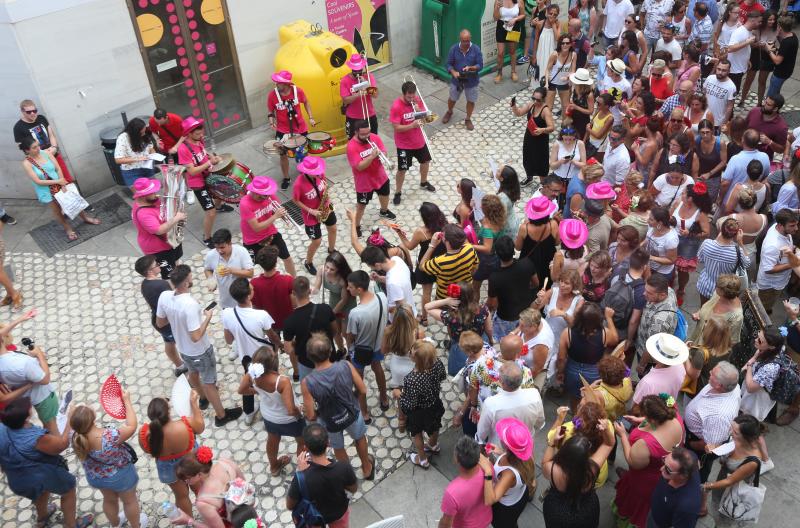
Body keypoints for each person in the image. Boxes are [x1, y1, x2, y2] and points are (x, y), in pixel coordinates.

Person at [156, 264, 243, 426]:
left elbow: (160, 323)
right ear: (185, 283)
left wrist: (176, 319)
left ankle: (203, 399)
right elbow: (196, 336)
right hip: (200, 350)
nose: (192, 278)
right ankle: (221, 415)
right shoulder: (190, 305)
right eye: (190, 277)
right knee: (209, 382)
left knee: (193, 373)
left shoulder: (164, 297)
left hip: (183, 348)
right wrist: (208, 318)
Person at [0, 397, 94, 528]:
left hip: (17, 479)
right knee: (68, 490)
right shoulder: (35, 438)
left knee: (40, 492)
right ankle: (72, 525)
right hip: (40, 474)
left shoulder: (2, 427)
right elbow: (61, 445)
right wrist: (69, 420)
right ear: (27, 417)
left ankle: (43, 517)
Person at [301, 333, 375, 480]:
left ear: (309, 357)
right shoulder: (345, 365)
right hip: (352, 412)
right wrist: (351, 396)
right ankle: (367, 468)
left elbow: (310, 416)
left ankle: (347, 476)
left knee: (338, 447)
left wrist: (311, 411)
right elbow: (363, 390)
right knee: (360, 438)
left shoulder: (307, 382)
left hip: (329, 421)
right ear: (330, 351)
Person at [70, 396, 145, 528]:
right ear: (92, 417)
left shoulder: (74, 436)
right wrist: (127, 401)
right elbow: (131, 425)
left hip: (97, 477)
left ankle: (115, 524)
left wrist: (72, 412)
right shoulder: (110, 436)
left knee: (109, 500)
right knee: (129, 501)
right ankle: (136, 525)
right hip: (120, 477)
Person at [613, 394, 686, 528]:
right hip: (661, 476)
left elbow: (632, 461)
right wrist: (639, 420)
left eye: (645, 416)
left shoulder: (646, 444)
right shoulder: (675, 416)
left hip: (643, 482)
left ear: (652, 419)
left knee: (634, 502)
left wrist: (623, 435)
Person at [684, 362, 742, 514]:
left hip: (698, 446)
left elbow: (709, 446)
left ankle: (701, 506)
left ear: (720, 386)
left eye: (713, 375)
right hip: (696, 436)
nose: (709, 372)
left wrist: (688, 443)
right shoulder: (731, 386)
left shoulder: (719, 416)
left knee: (699, 476)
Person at [237, 345, 304, 476]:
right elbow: (290, 410)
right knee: (302, 442)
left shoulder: (252, 374)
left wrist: (257, 391)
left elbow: (241, 390)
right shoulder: (282, 381)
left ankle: (274, 467)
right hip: (289, 419)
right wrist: (300, 412)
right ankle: (302, 469)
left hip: (269, 417)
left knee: (272, 440)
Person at [222, 278, 280, 424]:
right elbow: (272, 336)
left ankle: (249, 412)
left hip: (246, 357)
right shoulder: (261, 315)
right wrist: (279, 345)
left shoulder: (227, 314)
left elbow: (228, 340)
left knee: (249, 380)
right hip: (264, 356)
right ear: (248, 296)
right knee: (270, 379)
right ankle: (275, 404)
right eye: (252, 288)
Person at [20, 137, 100, 241]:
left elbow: (58, 168)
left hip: (59, 183)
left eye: (38, 145)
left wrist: (62, 184)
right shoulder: (27, 163)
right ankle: (68, 228)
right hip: (46, 190)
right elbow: (38, 181)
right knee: (57, 211)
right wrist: (58, 182)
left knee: (73, 201)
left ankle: (85, 218)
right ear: (27, 150)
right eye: (34, 147)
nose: (38, 148)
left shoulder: (46, 153)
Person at [138, 393, 204, 516]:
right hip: (190, 463)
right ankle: (209, 514)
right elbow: (200, 427)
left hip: (167, 469)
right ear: (168, 412)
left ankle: (188, 522)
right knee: (199, 488)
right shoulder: (185, 425)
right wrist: (194, 404)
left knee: (181, 496)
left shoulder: (145, 434)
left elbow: (148, 450)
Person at [286, 424, 358, 528]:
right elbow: (353, 489)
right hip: (339, 513)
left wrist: (301, 473)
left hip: (315, 518)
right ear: (328, 443)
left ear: (305, 447)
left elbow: (290, 505)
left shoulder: (301, 478)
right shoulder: (343, 467)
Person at [0, 311, 59, 434]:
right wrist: (39, 355)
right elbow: (45, 379)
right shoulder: (23, 363)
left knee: (46, 421)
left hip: (27, 396)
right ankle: (53, 444)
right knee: (51, 425)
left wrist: (20, 319)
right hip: (43, 397)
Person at [178, 116, 231, 248]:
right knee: (210, 212)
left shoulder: (198, 139)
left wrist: (211, 157)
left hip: (208, 174)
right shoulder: (183, 149)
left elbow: (202, 151)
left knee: (222, 191)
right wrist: (209, 163)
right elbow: (192, 172)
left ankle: (219, 206)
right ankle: (207, 237)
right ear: (188, 133)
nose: (201, 135)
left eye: (202, 132)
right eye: (197, 133)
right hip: (198, 184)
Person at [541, 430, 613, 527]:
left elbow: (544, 463)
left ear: (564, 452)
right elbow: (609, 444)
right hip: (586, 510)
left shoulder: (553, 470)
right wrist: (605, 429)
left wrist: (552, 443)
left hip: (557, 512)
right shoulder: (592, 469)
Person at [390, 202, 447, 323]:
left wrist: (399, 233)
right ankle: (440, 307)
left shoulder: (421, 232)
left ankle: (425, 318)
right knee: (441, 287)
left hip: (426, 264)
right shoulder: (446, 226)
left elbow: (409, 246)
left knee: (427, 292)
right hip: (442, 262)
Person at [702, 414, 771, 512]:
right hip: (722, 481)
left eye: (735, 432)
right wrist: (714, 447)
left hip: (732, 492)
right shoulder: (736, 439)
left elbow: (730, 481)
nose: (731, 432)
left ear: (746, 437)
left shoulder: (752, 462)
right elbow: (724, 446)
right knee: (716, 504)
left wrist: (707, 486)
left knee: (723, 513)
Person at [556, 302, 619, 410]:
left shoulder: (567, 333)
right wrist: (609, 318)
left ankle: (576, 417)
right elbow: (615, 339)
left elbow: (561, 358)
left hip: (573, 371)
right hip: (595, 372)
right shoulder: (605, 333)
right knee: (591, 399)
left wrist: (560, 372)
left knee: (575, 398)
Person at [345, 270, 389, 421]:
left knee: (359, 380)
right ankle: (384, 398)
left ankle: (364, 413)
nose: (347, 289)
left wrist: (349, 347)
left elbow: (350, 336)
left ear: (359, 289)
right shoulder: (382, 297)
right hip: (378, 345)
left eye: (350, 287)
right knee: (378, 369)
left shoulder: (356, 313)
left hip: (361, 351)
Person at [478, 417, 537, 528]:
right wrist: (501, 452)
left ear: (506, 446)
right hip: (519, 495)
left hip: (505, 510)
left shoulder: (509, 475)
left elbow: (490, 500)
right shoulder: (525, 457)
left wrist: (487, 471)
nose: (500, 437)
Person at [134, 255, 186, 377]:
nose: (159, 265)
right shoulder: (161, 285)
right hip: (167, 321)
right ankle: (187, 363)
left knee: (169, 342)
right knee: (181, 341)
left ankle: (179, 365)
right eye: (156, 265)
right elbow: (174, 300)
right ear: (149, 271)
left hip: (157, 319)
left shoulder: (145, 284)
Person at [427, 281, 492, 376]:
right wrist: (490, 339)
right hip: (479, 340)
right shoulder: (483, 310)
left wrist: (446, 301)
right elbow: (489, 329)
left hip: (460, 344)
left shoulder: (449, 316)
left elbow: (427, 307)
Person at [399, 340, 446, 468]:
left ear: (417, 361)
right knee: (434, 426)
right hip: (434, 404)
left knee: (417, 433)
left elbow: (411, 403)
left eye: (411, 353)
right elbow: (443, 377)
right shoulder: (437, 363)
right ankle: (433, 444)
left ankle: (423, 459)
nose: (409, 352)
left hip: (419, 412)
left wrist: (400, 395)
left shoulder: (411, 379)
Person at [267, 70, 317, 190]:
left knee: (304, 153)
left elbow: (306, 102)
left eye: (278, 82)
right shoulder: (272, 95)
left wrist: (311, 117)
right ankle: (286, 177)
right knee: (282, 154)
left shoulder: (298, 91)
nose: (276, 84)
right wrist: (271, 122)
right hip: (282, 130)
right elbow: (270, 112)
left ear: (286, 84)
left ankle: (306, 174)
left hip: (300, 128)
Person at [238, 175, 296, 276]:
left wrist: (281, 214)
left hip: (270, 234)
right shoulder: (245, 204)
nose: (264, 197)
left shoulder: (269, 195)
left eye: (266, 195)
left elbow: (275, 210)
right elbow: (256, 228)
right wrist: (275, 217)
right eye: (261, 195)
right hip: (253, 241)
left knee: (287, 258)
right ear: (254, 191)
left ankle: (294, 281)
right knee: (249, 269)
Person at [476, 361, 545, 445]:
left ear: (502, 382)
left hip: (500, 449)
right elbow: (540, 422)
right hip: (525, 445)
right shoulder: (534, 394)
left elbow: (482, 433)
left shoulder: (491, 404)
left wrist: (480, 444)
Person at [390, 81, 436, 205]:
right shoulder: (396, 106)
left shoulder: (416, 100)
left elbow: (426, 118)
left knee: (426, 162)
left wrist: (419, 110)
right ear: (403, 94)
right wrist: (411, 125)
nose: (411, 99)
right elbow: (396, 128)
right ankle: (398, 192)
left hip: (419, 140)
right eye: (408, 97)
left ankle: (424, 182)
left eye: (413, 96)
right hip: (404, 144)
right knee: (402, 169)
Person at [282, 276, 336, 380]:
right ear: (310, 291)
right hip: (328, 356)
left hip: (307, 362)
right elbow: (335, 331)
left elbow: (288, 349)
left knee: (309, 389)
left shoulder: (290, 321)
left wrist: (295, 343)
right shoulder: (325, 309)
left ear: (293, 293)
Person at [348, 120, 395, 237]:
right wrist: (372, 156)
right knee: (361, 206)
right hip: (364, 182)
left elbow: (384, 151)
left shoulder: (374, 137)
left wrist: (382, 155)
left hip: (380, 175)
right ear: (356, 132)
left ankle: (384, 211)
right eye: (363, 134)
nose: (367, 136)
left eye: (368, 133)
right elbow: (359, 167)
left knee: (385, 194)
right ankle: (356, 225)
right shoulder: (351, 147)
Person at [174, 447, 245, 526]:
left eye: (187, 479)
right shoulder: (225, 463)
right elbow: (245, 486)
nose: (185, 482)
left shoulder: (203, 502)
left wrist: (188, 520)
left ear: (199, 474)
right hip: (249, 515)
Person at [131, 178, 185, 280]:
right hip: (159, 249)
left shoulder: (151, 200)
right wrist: (177, 218)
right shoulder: (143, 214)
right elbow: (159, 230)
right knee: (169, 275)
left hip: (170, 240)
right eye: (152, 192)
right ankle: (174, 288)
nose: (155, 194)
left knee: (175, 261)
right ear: (143, 196)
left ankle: (178, 278)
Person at [251, 245, 296, 369]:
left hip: (269, 324)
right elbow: (295, 303)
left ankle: (274, 371)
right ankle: (297, 372)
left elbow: (254, 306)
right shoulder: (287, 279)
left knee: (272, 350)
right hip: (288, 321)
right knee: (292, 348)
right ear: (276, 262)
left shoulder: (254, 284)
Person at [292, 155, 337, 275]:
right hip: (311, 215)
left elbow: (324, 186)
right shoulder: (298, 184)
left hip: (325, 207)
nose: (319, 174)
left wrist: (328, 199)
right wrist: (311, 211)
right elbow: (295, 200)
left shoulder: (320, 174)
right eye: (315, 172)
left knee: (333, 228)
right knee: (317, 241)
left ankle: (331, 251)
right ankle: (308, 262)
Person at [488, 236, 537, 340]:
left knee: (507, 340)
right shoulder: (527, 263)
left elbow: (493, 304)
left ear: (497, 254)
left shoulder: (495, 278)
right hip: (526, 312)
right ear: (513, 249)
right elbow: (536, 283)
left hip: (506, 317)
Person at [439, 436, 493, 528]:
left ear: (456, 459)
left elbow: (445, 524)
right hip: (486, 520)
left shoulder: (452, 493)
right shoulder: (488, 468)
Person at [671, 183, 712, 305]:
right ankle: (670, 281)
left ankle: (681, 289)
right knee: (670, 263)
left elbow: (707, 233)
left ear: (691, 199)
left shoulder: (700, 214)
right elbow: (670, 216)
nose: (681, 194)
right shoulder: (678, 203)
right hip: (673, 239)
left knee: (683, 270)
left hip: (688, 245)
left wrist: (690, 234)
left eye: (684, 193)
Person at [420, 223, 479, 300]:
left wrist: (432, 246)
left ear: (445, 241)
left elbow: (421, 266)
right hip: (465, 293)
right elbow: (475, 268)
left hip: (445, 298)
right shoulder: (470, 249)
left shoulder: (440, 261)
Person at [634, 274, 679, 376]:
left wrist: (641, 365)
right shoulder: (669, 291)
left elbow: (650, 349)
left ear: (662, 295)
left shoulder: (659, 322)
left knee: (645, 379)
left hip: (649, 359)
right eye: (645, 289)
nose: (644, 294)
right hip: (643, 341)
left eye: (649, 293)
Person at [647, 448, 702, 528]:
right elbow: (696, 460)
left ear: (683, 475)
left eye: (667, 470)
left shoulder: (687, 507)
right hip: (654, 511)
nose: (661, 469)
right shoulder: (691, 458)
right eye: (664, 461)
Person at [757, 208, 799, 314]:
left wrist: (792, 249)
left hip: (779, 281)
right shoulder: (773, 245)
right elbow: (768, 268)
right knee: (762, 309)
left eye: (796, 224)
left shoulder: (782, 231)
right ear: (780, 225)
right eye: (792, 226)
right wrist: (792, 264)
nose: (796, 228)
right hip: (770, 286)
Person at [633, 334, 689, 410]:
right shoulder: (680, 367)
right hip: (666, 408)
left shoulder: (647, 383)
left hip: (649, 416)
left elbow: (636, 408)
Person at [512, 86, 555, 187]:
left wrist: (542, 130)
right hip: (529, 137)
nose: (535, 101)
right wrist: (513, 106)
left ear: (543, 99)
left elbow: (552, 127)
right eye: (533, 98)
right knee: (528, 158)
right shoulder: (531, 105)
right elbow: (519, 113)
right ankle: (529, 177)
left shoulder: (545, 111)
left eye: (538, 100)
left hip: (540, 141)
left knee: (541, 163)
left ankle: (543, 185)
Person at [740, 327, 785, 421]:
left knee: (748, 419)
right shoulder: (772, 349)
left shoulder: (770, 368)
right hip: (755, 391)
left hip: (756, 400)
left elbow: (751, 387)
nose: (756, 340)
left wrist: (749, 365)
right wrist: (755, 357)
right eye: (757, 335)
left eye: (760, 341)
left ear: (772, 346)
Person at [203, 228, 254, 311]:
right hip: (226, 301)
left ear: (230, 243)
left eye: (222, 247)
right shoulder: (211, 255)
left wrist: (231, 271)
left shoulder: (241, 252)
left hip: (244, 299)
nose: (219, 251)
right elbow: (208, 269)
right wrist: (211, 280)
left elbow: (250, 273)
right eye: (216, 248)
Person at [718, 129, 770, 206]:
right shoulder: (765, 157)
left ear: (743, 140)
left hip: (732, 202)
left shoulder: (735, 159)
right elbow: (765, 177)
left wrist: (720, 198)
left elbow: (725, 183)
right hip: (752, 202)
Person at [515, 196, 559, 287]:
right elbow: (557, 243)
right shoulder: (553, 225)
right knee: (545, 285)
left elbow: (518, 247)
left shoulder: (524, 228)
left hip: (529, 264)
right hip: (547, 262)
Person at [360, 246, 415, 319]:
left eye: (370, 267)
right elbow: (396, 280)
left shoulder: (392, 283)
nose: (372, 269)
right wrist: (379, 278)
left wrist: (381, 307)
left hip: (402, 320)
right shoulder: (396, 259)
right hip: (411, 307)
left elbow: (400, 307)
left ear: (377, 265)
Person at [444, 29, 483, 130]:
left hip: (471, 80)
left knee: (471, 100)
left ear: (470, 39)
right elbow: (448, 64)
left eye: (467, 40)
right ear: (460, 40)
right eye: (463, 41)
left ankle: (468, 118)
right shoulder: (454, 49)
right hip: (457, 80)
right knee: (452, 98)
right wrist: (453, 72)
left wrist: (471, 68)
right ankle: (449, 111)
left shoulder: (476, 49)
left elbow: (480, 65)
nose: (466, 43)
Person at [739, 10, 779, 108]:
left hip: (768, 57)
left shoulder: (777, 29)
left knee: (762, 81)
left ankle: (759, 103)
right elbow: (751, 45)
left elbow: (778, 45)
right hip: (756, 55)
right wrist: (759, 44)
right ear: (765, 19)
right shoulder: (757, 29)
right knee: (749, 79)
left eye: (774, 19)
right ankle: (742, 100)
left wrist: (774, 48)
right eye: (770, 19)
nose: (772, 22)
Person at [690, 274, 743, 347]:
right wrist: (699, 312)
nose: (715, 287)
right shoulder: (718, 294)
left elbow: (732, 341)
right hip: (696, 338)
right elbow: (708, 305)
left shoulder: (736, 317)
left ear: (724, 292)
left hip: (708, 349)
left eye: (717, 286)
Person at [340, 53, 378, 138]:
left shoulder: (368, 76)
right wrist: (358, 94)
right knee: (352, 140)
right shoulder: (344, 81)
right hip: (353, 117)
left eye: (359, 69)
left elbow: (375, 95)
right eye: (355, 70)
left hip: (369, 115)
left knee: (373, 138)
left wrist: (366, 84)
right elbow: (345, 100)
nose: (357, 72)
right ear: (351, 68)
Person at [516, 308, 555, 388]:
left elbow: (537, 368)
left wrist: (523, 385)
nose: (519, 328)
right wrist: (513, 333)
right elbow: (519, 328)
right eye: (520, 324)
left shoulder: (542, 343)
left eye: (523, 326)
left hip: (533, 372)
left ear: (533, 326)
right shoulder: (537, 320)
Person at [113, 117, 156, 186]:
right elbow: (118, 160)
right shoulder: (123, 138)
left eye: (144, 131)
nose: (144, 134)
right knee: (141, 195)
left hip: (147, 167)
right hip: (132, 171)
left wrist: (153, 154)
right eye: (141, 133)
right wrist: (139, 159)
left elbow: (151, 148)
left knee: (152, 192)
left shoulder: (145, 134)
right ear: (134, 133)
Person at [746, 94, 788, 161]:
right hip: (745, 153)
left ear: (775, 109)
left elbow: (781, 149)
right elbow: (744, 128)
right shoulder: (754, 111)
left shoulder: (781, 127)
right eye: (765, 102)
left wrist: (770, 142)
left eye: (768, 104)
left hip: (761, 161)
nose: (764, 105)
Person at [727, 10, 762, 92]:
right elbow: (730, 48)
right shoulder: (739, 32)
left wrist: (747, 60)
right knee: (733, 93)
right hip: (734, 70)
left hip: (740, 68)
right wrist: (747, 42)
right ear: (753, 20)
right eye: (759, 21)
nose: (760, 23)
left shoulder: (749, 31)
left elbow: (744, 47)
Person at [494, 0, 526, 84]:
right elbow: (495, 18)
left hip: (514, 27)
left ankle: (513, 72)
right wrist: (497, 8)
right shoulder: (498, 1)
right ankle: (499, 73)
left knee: (512, 51)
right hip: (501, 26)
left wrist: (515, 19)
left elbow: (523, 15)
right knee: (500, 53)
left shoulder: (519, 1)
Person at [644, 206, 679, 281]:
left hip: (661, 273)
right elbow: (647, 240)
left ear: (660, 222)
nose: (648, 221)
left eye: (651, 219)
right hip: (649, 266)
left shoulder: (671, 239)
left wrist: (651, 257)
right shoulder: (652, 226)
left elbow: (671, 260)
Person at [766, 15, 798, 97]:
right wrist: (777, 37)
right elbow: (785, 50)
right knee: (776, 92)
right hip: (788, 70)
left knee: (771, 96)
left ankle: (771, 108)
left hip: (780, 73)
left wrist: (768, 50)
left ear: (780, 27)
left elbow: (777, 61)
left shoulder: (786, 43)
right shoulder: (793, 36)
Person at [551, 126, 587, 198]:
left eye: (570, 139)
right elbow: (552, 165)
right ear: (562, 137)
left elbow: (584, 165)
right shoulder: (557, 144)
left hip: (574, 178)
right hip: (558, 177)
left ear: (574, 136)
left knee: (571, 199)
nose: (568, 142)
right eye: (565, 139)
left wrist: (574, 162)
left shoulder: (580, 144)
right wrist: (560, 162)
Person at [544, 34, 577, 113]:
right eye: (563, 43)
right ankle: (547, 124)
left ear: (570, 44)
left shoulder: (573, 55)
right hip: (552, 83)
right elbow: (547, 69)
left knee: (565, 107)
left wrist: (568, 78)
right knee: (549, 107)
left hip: (564, 83)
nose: (565, 45)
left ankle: (564, 124)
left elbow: (573, 71)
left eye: (567, 43)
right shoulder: (555, 55)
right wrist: (546, 83)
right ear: (560, 44)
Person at [533, 5, 563, 85]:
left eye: (555, 14)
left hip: (552, 51)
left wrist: (553, 25)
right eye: (550, 13)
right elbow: (536, 40)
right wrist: (534, 56)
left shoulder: (558, 24)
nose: (552, 16)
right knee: (541, 67)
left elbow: (557, 38)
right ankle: (540, 86)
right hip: (541, 51)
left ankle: (550, 86)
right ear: (546, 12)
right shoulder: (540, 24)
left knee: (551, 68)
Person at [703, 60, 737, 130]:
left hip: (718, 122)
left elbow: (730, 107)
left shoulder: (731, 87)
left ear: (729, 71)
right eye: (719, 69)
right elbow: (704, 93)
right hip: (704, 117)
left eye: (724, 70)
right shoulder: (710, 78)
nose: (720, 72)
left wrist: (724, 123)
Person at [585, 93, 614, 164]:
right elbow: (591, 125)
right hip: (591, 141)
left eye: (599, 104)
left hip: (600, 146)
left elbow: (599, 135)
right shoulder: (598, 110)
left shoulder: (610, 118)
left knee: (595, 164)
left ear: (607, 106)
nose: (597, 105)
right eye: (597, 102)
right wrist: (584, 140)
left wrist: (588, 129)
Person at [568, 68, 595, 140]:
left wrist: (576, 107)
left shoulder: (589, 95)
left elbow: (590, 111)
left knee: (580, 138)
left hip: (582, 120)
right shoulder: (576, 89)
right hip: (574, 117)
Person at [496, 165, 522, 240]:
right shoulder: (512, 187)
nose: (497, 170)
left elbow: (501, 217)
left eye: (499, 171)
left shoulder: (502, 197)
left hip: (507, 228)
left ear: (501, 178)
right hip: (512, 219)